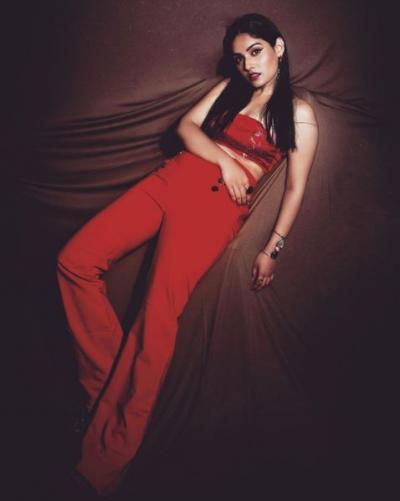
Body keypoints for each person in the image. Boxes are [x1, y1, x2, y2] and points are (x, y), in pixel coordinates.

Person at [56, 12, 318, 496]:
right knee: (75, 260)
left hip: (214, 206)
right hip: (172, 179)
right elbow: (187, 128)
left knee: (156, 319)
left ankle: (105, 460)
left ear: (278, 48)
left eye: (255, 51)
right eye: (239, 58)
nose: (248, 65)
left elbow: (296, 188)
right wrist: (225, 159)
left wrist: (273, 248)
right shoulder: (230, 90)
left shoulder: (298, 112)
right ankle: (105, 392)